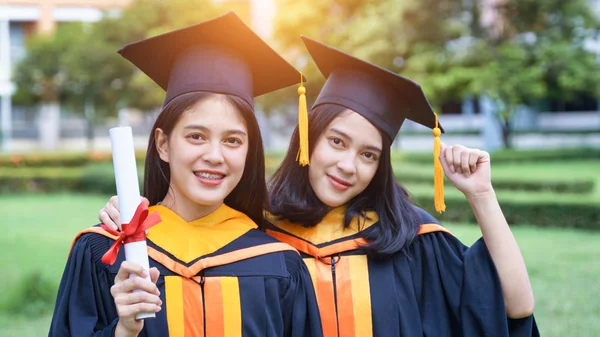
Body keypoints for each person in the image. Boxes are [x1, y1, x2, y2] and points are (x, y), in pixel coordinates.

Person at [99, 35, 539, 337]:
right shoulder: (257, 230)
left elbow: (513, 308)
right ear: (307, 139)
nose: (348, 165)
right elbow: (190, 207)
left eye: (369, 154)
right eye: (336, 141)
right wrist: (131, 218)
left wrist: (482, 195)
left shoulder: (406, 238)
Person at [49, 12, 323, 337]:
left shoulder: (279, 264)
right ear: (163, 144)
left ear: (249, 152)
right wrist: (123, 330)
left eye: (233, 140)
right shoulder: (105, 253)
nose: (214, 156)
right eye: (196, 136)